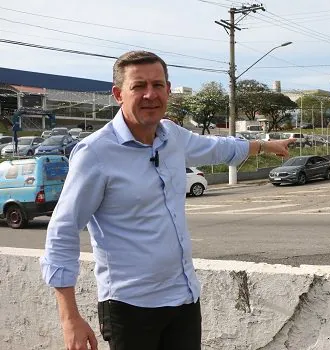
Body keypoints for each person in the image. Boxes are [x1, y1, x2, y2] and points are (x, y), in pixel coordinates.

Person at [40, 50, 294, 350]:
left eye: (158, 85)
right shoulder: (95, 153)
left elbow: (218, 148)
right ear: (119, 94)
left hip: (184, 298)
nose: (150, 94)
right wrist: (69, 318)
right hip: (130, 307)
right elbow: (63, 230)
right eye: (139, 86)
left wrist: (264, 145)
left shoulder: (172, 135)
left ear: (168, 90)